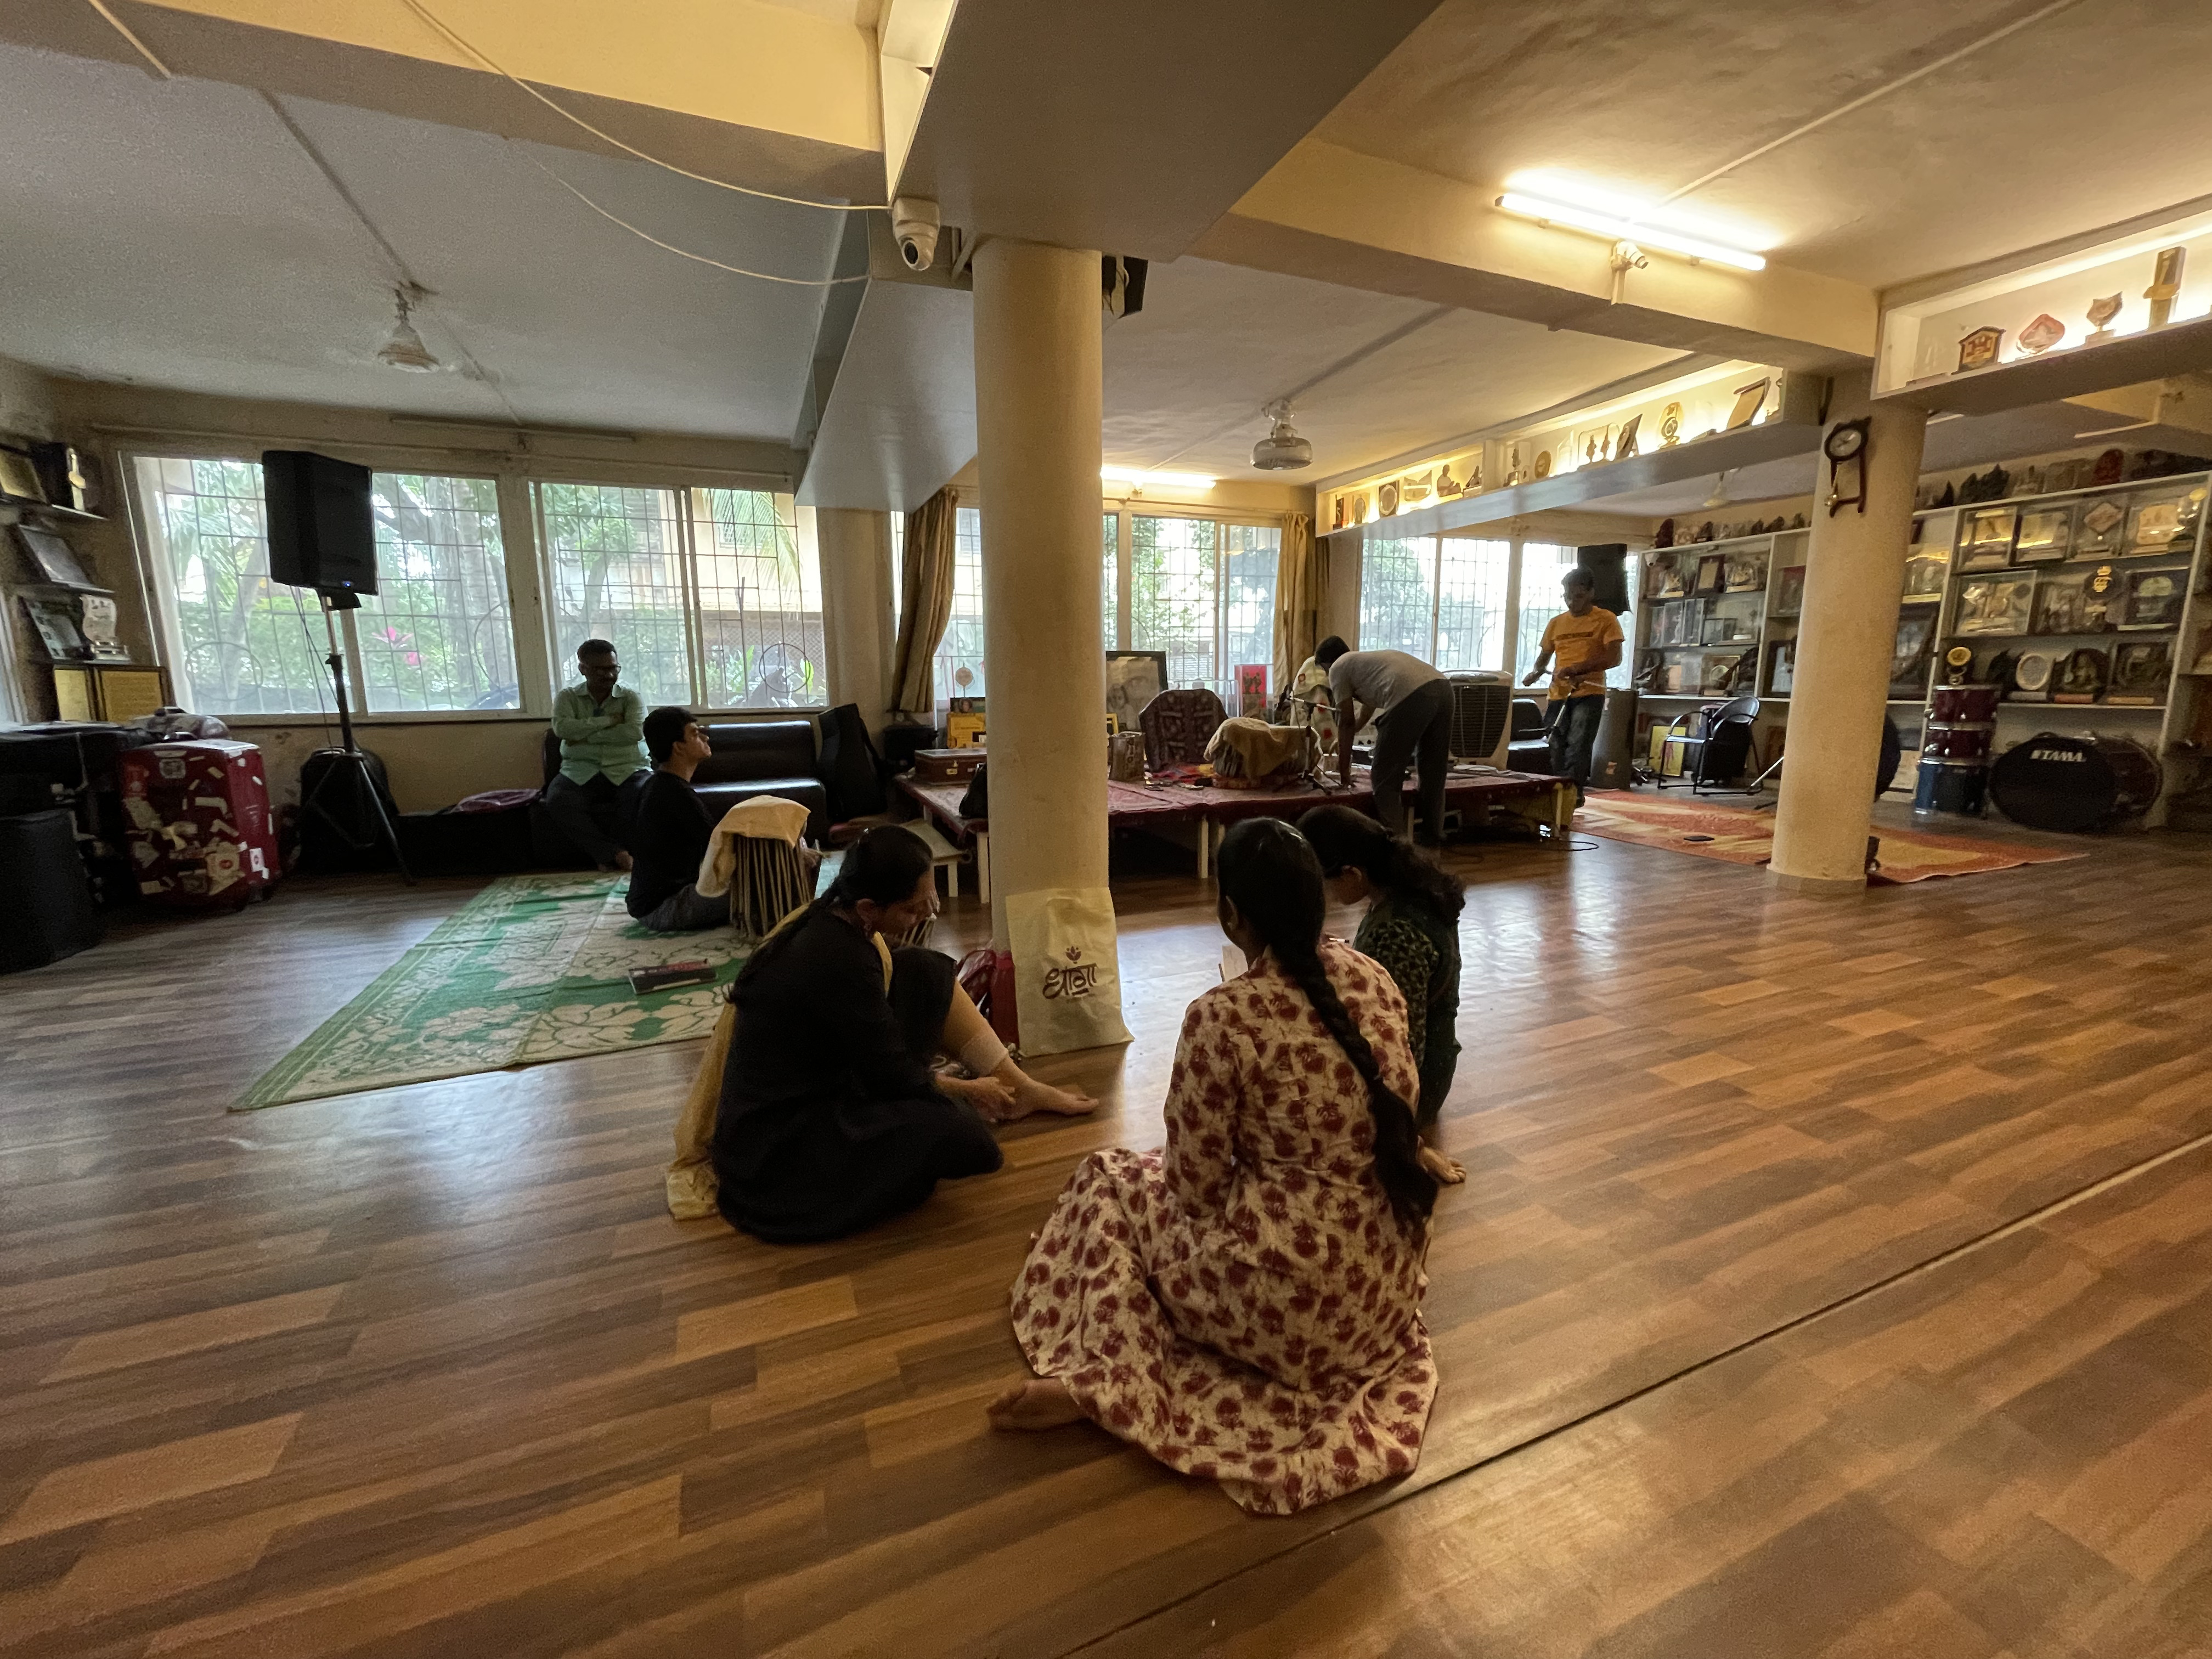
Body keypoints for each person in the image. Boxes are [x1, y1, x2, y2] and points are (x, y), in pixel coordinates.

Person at [988, 818, 1442, 1515]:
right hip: (1377, 1294)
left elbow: (1193, 1188)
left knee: (1109, 1181)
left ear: (1232, 915)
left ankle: (1111, 1384)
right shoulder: (1375, 980)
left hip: (1280, 1299)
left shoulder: (1222, 1017)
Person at [713, 825, 1093, 1243]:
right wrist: (966, 1089)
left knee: (926, 972)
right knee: (966, 1138)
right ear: (868, 907)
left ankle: (1019, 1087)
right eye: (913, 909)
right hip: (781, 1155)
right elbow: (890, 1076)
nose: (926, 916)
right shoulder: (839, 958)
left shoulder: (835, 915)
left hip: (822, 1085)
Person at [1297, 805, 1466, 1159]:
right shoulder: (1408, 891)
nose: (1325, 893)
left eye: (1325, 882)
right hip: (1430, 1065)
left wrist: (1401, 1133)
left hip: (1414, 1087)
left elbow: (1402, 1043)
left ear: (1352, 873)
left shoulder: (1395, 932)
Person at [1313, 635, 1451, 847]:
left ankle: (1400, 850)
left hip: (1412, 694)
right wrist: (1343, 739)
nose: (1326, 676)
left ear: (1328, 663)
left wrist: (1344, 773)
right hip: (1444, 689)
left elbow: (1346, 722)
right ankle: (1433, 846)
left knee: (1384, 779)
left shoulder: (1338, 668)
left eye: (1324, 670)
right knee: (1433, 773)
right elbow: (1361, 717)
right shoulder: (1366, 665)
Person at [547, 639, 651, 871]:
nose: (609, 675)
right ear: (583, 669)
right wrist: (610, 721)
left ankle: (616, 855)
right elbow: (563, 730)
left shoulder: (631, 697)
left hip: (629, 767)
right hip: (581, 769)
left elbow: (634, 732)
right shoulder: (567, 697)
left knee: (642, 794)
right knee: (558, 799)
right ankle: (614, 853)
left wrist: (584, 735)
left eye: (613, 668)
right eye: (600, 670)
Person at [1521, 569, 1624, 799]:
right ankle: (1554, 793)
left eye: (1578, 596)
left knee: (1578, 746)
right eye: (1567, 596)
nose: (1571, 602)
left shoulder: (1606, 619)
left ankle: (1571, 795)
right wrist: (1536, 672)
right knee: (1553, 745)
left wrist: (1578, 669)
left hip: (1589, 693)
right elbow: (1544, 656)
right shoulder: (1556, 623)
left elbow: (1614, 658)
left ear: (1591, 593)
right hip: (1558, 694)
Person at [627, 706, 724, 932]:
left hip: (650, 906)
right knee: (768, 882)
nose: (705, 738)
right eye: (695, 734)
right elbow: (721, 847)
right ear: (678, 747)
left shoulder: (657, 785)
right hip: (667, 907)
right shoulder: (674, 793)